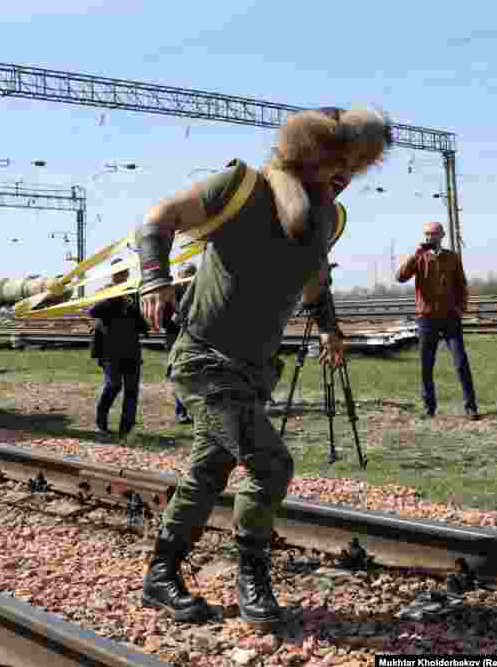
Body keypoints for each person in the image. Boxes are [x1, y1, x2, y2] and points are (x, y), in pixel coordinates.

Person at [134, 106, 392, 626]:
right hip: (205, 359)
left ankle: (161, 575)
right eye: (333, 168)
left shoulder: (326, 219)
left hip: (253, 369)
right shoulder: (240, 188)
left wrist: (328, 328)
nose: (341, 181)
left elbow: (315, 278)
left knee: (207, 472)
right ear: (308, 157)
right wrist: (153, 279)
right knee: (270, 463)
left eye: (350, 174)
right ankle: (253, 576)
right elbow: (158, 217)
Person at [396, 222, 479, 421]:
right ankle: (429, 407)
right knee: (426, 363)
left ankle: (471, 407)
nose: (429, 237)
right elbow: (400, 277)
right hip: (427, 319)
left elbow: (461, 284)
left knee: (460, 361)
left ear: (441, 235)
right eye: (427, 234)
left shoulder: (451, 257)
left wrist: (461, 308)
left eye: (433, 234)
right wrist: (415, 254)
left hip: (451, 317)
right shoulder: (419, 257)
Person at [88, 261, 150, 437]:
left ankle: (126, 428)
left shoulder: (133, 292)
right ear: (112, 275)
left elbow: (140, 320)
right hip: (110, 351)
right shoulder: (105, 292)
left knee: (132, 390)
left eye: (124, 272)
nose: (121, 275)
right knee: (113, 385)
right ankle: (101, 422)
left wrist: (145, 325)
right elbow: (92, 312)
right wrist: (113, 296)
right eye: (118, 273)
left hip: (131, 349)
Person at [162, 265, 197, 424]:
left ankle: (195, 411)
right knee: (179, 374)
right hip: (175, 337)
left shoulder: (198, 290)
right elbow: (166, 319)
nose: (188, 278)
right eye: (186, 274)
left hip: (194, 336)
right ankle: (181, 411)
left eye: (191, 274)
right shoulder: (172, 293)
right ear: (179, 275)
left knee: (195, 374)